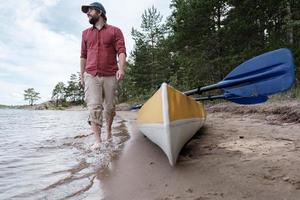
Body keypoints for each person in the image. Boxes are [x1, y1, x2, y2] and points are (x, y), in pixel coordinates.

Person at [80, 2, 126, 149]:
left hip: (110, 74)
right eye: (86, 12)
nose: (87, 14)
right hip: (91, 74)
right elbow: (83, 55)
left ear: (99, 12)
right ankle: (98, 141)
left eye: (90, 11)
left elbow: (121, 51)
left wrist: (121, 68)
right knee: (94, 107)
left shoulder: (115, 31)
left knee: (110, 108)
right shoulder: (85, 33)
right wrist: (82, 75)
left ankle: (109, 132)